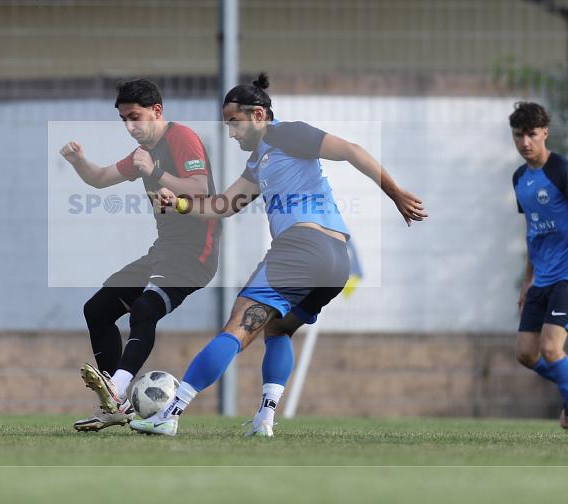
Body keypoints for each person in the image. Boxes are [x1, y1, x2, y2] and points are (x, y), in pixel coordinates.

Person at [129, 73, 426, 436]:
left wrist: (394, 193)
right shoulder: (260, 161)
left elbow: (350, 150)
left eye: (234, 123)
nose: (231, 133)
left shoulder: (285, 133)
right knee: (278, 329)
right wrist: (178, 202)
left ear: (258, 115)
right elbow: (223, 206)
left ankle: (169, 414)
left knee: (236, 329)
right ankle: (264, 420)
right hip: (335, 261)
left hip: (301, 249)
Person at [59, 79, 219, 431]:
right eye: (123, 119)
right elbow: (100, 179)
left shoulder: (181, 138)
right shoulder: (142, 155)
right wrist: (79, 161)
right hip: (163, 251)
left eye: (135, 117)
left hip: (195, 255)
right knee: (98, 310)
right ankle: (117, 406)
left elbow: (200, 188)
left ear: (156, 111)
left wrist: (155, 172)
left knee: (145, 310)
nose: (130, 126)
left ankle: (116, 390)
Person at [509, 101, 568, 434]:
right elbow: (534, 231)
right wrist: (528, 280)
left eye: (531, 134)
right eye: (519, 135)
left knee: (551, 348)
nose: (525, 142)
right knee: (526, 354)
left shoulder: (562, 169)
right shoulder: (519, 179)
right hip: (542, 279)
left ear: (544, 133)